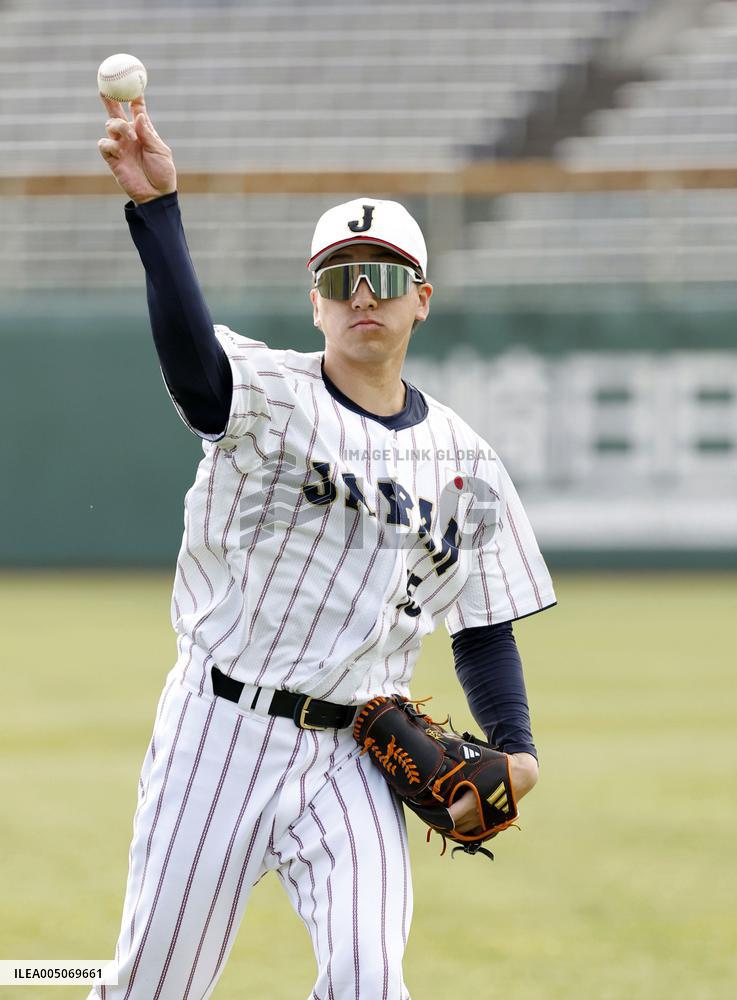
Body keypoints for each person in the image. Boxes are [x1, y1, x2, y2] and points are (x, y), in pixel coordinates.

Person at [93, 94, 556, 1000]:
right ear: (315, 303)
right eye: (340, 279)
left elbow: (482, 624)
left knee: (368, 980)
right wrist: (157, 211)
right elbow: (192, 366)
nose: (361, 295)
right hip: (219, 732)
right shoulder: (268, 396)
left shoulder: (467, 461)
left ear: (422, 300)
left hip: (356, 751)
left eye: (383, 276)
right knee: (153, 985)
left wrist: (517, 750)